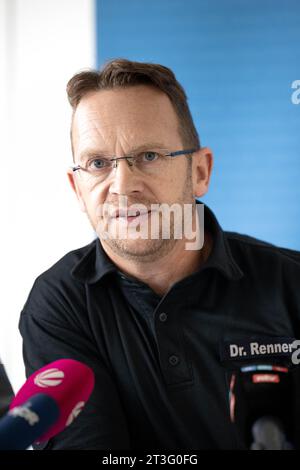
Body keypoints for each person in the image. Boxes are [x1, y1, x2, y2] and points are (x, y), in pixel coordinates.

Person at [19, 59, 300, 450]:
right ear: (76, 188)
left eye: (148, 156)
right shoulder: (60, 304)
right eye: (98, 164)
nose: (122, 185)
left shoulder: (292, 284)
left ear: (200, 171)